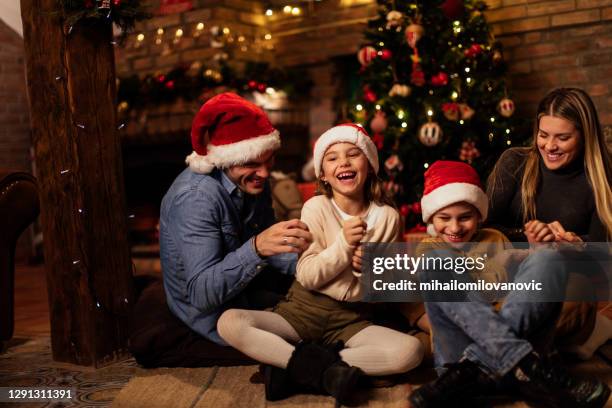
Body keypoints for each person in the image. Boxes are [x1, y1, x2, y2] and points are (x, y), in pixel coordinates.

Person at [217, 124, 424, 405]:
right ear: (323, 175)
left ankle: (294, 367)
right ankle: (323, 370)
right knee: (229, 322)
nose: (344, 162)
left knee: (410, 352)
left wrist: (371, 271)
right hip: (303, 310)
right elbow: (309, 276)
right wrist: (342, 247)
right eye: (333, 158)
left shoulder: (387, 217)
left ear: (370, 165)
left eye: (354, 154)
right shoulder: (316, 207)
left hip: (352, 320)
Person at [408, 160, 610, 408]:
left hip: (465, 375)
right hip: (458, 356)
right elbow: (469, 300)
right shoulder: (429, 248)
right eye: (444, 218)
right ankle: (527, 365)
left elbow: (523, 295)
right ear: (431, 218)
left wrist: (535, 252)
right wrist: (501, 265)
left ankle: (483, 366)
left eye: (465, 217)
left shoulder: (495, 238)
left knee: (549, 257)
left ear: (479, 216)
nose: (454, 227)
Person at [158, 93, 313, 354]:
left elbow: (274, 253)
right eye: (252, 162)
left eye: (269, 160)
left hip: (251, 283)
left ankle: (401, 285)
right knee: (328, 316)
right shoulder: (196, 199)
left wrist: (319, 258)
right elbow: (201, 295)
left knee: (347, 274)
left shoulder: (252, 181)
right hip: (214, 312)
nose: (264, 173)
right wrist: (257, 249)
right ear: (225, 159)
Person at [487, 87, 612, 360]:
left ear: (584, 135)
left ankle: (489, 350)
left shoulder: (602, 178)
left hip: (565, 282)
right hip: (511, 274)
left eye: (563, 137)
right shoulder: (514, 162)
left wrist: (577, 247)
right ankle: (536, 350)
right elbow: (483, 230)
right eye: (543, 135)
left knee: (579, 293)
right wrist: (528, 235)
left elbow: (604, 262)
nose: (550, 146)